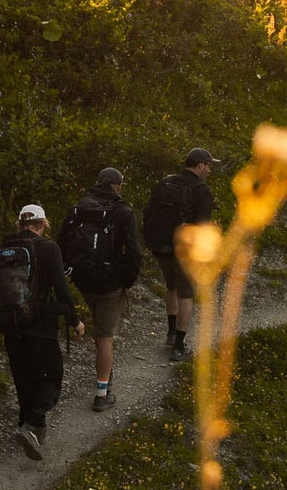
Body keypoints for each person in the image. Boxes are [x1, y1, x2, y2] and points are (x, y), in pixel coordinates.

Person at [0, 203, 83, 460]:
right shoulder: (48, 247)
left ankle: (28, 425)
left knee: (23, 376)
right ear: (43, 224)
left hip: (10, 324)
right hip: (40, 325)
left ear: (20, 223)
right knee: (52, 377)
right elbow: (61, 288)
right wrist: (75, 320)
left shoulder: (3, 249)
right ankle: (31, 424)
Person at [58, 167, 142, 411]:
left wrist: (69, 271)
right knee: (105, 336)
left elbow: (60, 243)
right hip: (110, 284)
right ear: (118, 186)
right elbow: (134, 251)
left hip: (83, 281)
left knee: (99, 327)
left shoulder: (77, 210)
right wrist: (127, 280)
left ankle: (105, 373)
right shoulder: (123, 212)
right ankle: (102, 395)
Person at [142, 147, 217, 361]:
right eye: (209, 165)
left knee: (171, 286)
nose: (210, 170)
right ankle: (179, 347)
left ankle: (170, 332)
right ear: (200, 165)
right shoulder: (201, 191)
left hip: (160, 246)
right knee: (187, 294)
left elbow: (149, 212)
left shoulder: (166, 182)